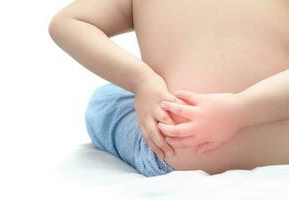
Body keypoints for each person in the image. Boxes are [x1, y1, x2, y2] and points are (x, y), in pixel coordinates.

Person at [48, 0, 289, 177]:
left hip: (180, 147)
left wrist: (141, 81)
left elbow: (67, 22)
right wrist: (241, 109)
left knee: (104, 99)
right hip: (280, 146)